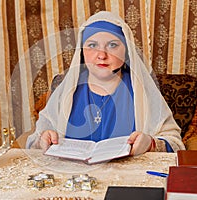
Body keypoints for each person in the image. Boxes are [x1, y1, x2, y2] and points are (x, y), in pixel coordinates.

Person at [26, 11, 185, 155]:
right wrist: (44, 139)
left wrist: (150, 143)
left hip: (126, 181)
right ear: (82, 52)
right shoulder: (67, 90)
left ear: (126, 51)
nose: (102, 55)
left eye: (113, 45)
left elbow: (175, 143)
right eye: (92, 45)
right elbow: (34, 141)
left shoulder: (142, 91)